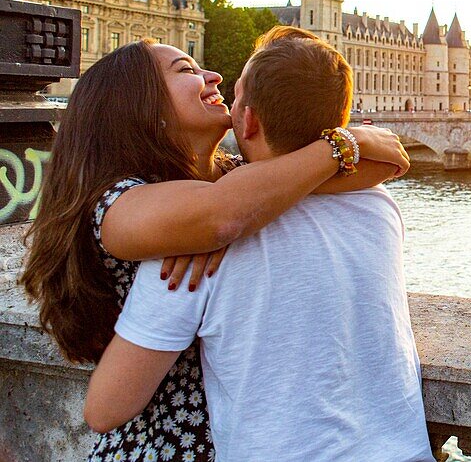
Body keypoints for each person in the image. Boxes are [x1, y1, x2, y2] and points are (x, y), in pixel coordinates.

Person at [20, 36, 409, 462]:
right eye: (185, 70)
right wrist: (344, 145)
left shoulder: (238, 183)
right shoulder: (119, 203)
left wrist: (349, 145)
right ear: (136, 104)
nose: (214, 75)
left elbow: (373, 165)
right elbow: (224, 215)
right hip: (167, 443)